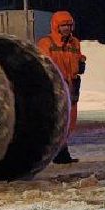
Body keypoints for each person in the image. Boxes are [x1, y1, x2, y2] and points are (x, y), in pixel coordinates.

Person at [38, 10, 85, 164]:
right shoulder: (46, 43)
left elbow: (77, 57)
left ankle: (61, 151)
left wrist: (81, 63)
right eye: (63, 25)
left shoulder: (75, 42)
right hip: (57, 85)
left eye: (69, 25)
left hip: (72, 85)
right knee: (58, 120)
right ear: (56, 26)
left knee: (71, 120)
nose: (67, 28)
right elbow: (45, 64)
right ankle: (58, 152)